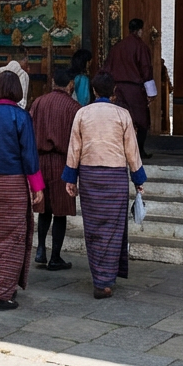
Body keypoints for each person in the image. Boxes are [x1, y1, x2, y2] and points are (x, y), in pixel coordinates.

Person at [65, 72, 145, 299]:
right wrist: (138, 180)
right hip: (115, 177)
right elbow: (132, 150)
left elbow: (74, 147)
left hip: (90, 177)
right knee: (113, 228)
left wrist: (71, 178)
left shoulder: (83, 113)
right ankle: (105, 279)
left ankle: (99, 278)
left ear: (94, 91)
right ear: (114, 91)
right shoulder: (123, 114)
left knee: (93, 227)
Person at [0, 73, 43, 310]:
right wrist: (37, 186)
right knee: (14, 237)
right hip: (12, 185)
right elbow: (29, 154)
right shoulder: (20, 116)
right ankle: (3, 292)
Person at [30, 68, 81, 270]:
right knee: (60, 211)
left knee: (44, 209)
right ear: (70, 85)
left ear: (52, 82)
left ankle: (41, 249)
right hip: (63, 162)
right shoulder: (74, 108)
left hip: (41, 161)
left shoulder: (38, 102)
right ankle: (55, 257)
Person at [104, 19, 158, 158]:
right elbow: (146, 70)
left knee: (119, 119)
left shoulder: (117, 47)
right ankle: (139, 151)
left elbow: (107, 68)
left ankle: (119, 151)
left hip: (117, 89)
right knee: (141, 120)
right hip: (134, 89)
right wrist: (151, 93)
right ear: (140, 30)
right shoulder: (140, 46)